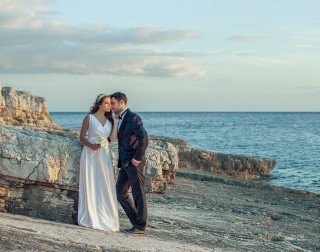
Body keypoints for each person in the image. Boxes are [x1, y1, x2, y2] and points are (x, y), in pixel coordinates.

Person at [78, 93, 119, 232]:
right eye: (107, 103)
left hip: (104, 155)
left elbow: (112, 139)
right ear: (100, 104)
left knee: (105, 184)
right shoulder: (89, 118)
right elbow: (81, 137)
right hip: (90, 154)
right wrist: (91, 146)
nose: (109, 105)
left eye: (110, 103)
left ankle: (105, 215)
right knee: (91, 183)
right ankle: (91, 215)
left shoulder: (110, 120)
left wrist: (116, 121)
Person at [110, 92, 148, 236]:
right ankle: (136, 224)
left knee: (138, 193)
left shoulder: (133, 117)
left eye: (113, 103)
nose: (111, 106)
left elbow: (143, 138)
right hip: (125, 162)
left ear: (122, 103)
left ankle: (141, 226)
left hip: (134, 162)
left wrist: (137, 158)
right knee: (120, 193)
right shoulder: (117, 118)